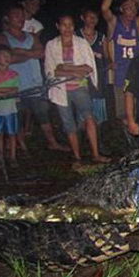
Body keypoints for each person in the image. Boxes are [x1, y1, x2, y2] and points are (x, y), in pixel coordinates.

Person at [0, 5, 67, 153]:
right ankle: (18, 147)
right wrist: (30, 53)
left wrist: (20, 52)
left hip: (35, 84)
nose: (20, 19)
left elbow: (41, 53)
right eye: (16, 15)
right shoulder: (3, 37)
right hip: (14, 86)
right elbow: (7, 59)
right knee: (17, 117)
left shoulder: (31, 36)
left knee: (43, 114)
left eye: (22, 16)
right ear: (8, 18)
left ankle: (52, 143)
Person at [45, 14, 109, 166]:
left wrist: (65, 67)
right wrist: (75, 71)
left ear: (74, 26)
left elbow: (88, 68)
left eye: (70, 25)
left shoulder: (81, 43)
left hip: (80, 87)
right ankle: (77, 157)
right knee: (68, 123)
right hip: (60, 89)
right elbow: (51, 71)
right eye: (64, 25)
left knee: (89, 117)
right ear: (58, 26)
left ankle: (95, 154)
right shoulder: (51, 45)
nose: (67, 28)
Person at [77, 8, 109, 125]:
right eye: (89, 17)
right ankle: (82, 130)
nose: (92, 20)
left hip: (98, 75)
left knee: (97, 103)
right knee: (82, 102)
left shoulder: (101, 37)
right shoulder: (76, 36)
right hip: (81, 76)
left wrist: (109, 64)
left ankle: (98, 129)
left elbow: (106, 57)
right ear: (83, 18)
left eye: (95, 17)